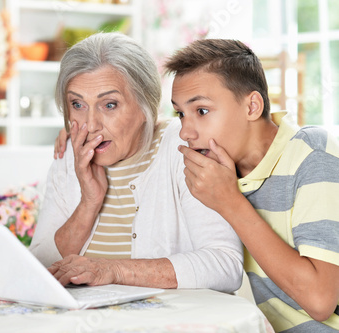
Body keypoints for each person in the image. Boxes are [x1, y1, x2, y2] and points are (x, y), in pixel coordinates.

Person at [29, 32, 243, 292]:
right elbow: (38, 266)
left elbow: (225, 266)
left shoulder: (185, 146)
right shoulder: (70, 155)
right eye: (77, 104)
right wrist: (88, 203)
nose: (91, 125)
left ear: (145, 105)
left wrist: (113, 270)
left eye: (109, 105)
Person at [165, 39, 339, 331]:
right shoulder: (221, 169)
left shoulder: (313, 156)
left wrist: (231, 204)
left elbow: (320, 300)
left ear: (252, 106)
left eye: (202, 111)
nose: (185, 131)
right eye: (180, 113)